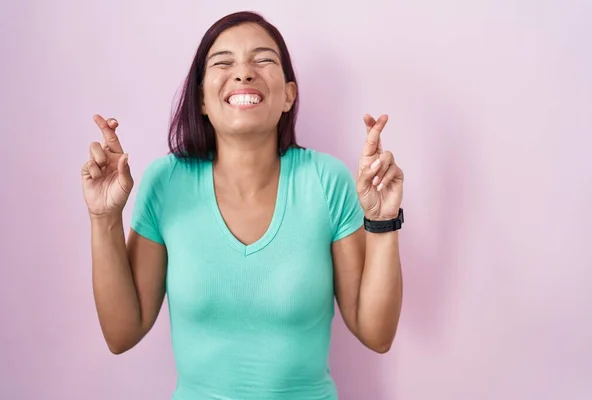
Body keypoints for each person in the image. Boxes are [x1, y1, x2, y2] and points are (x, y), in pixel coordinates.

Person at [81, 10, 404, 400]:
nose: (244, 72)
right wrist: (104, 217)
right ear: (201, 98)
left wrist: (382, 221)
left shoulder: (325, 181)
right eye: (223, 62)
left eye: (263, 59)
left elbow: (377, 333)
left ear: (288, 95)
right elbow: (122, 333)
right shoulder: (166, 182)